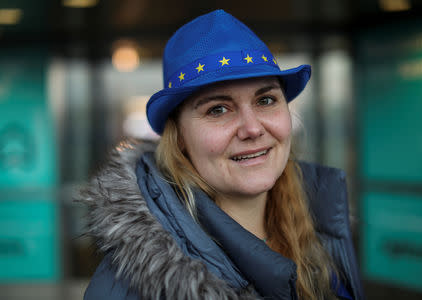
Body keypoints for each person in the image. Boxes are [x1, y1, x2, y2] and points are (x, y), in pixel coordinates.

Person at [80, 9, 364, 300]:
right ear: (179, 138)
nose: (252, 129)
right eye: (218, 109)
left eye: (265, 100)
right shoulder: (126, 287)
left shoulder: (319, 223)